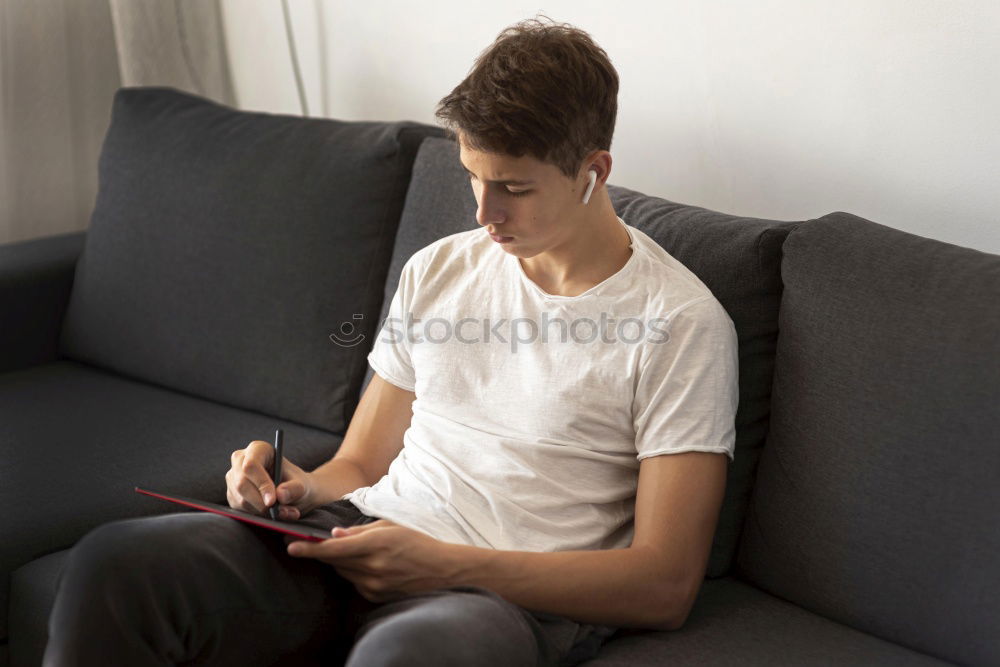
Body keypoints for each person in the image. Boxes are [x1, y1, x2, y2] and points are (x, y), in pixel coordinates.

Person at [44, 15, 738, 667]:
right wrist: (292, 488)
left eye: (514, 188)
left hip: (498, 593)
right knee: (114, 564)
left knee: (405, 658)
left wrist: (445, 563)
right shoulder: (441, 269)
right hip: (360, 534)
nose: (484, 214)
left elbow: (665, 583)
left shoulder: (679, 324)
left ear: (595, 171)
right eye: (473, 176)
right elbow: (358, 464)